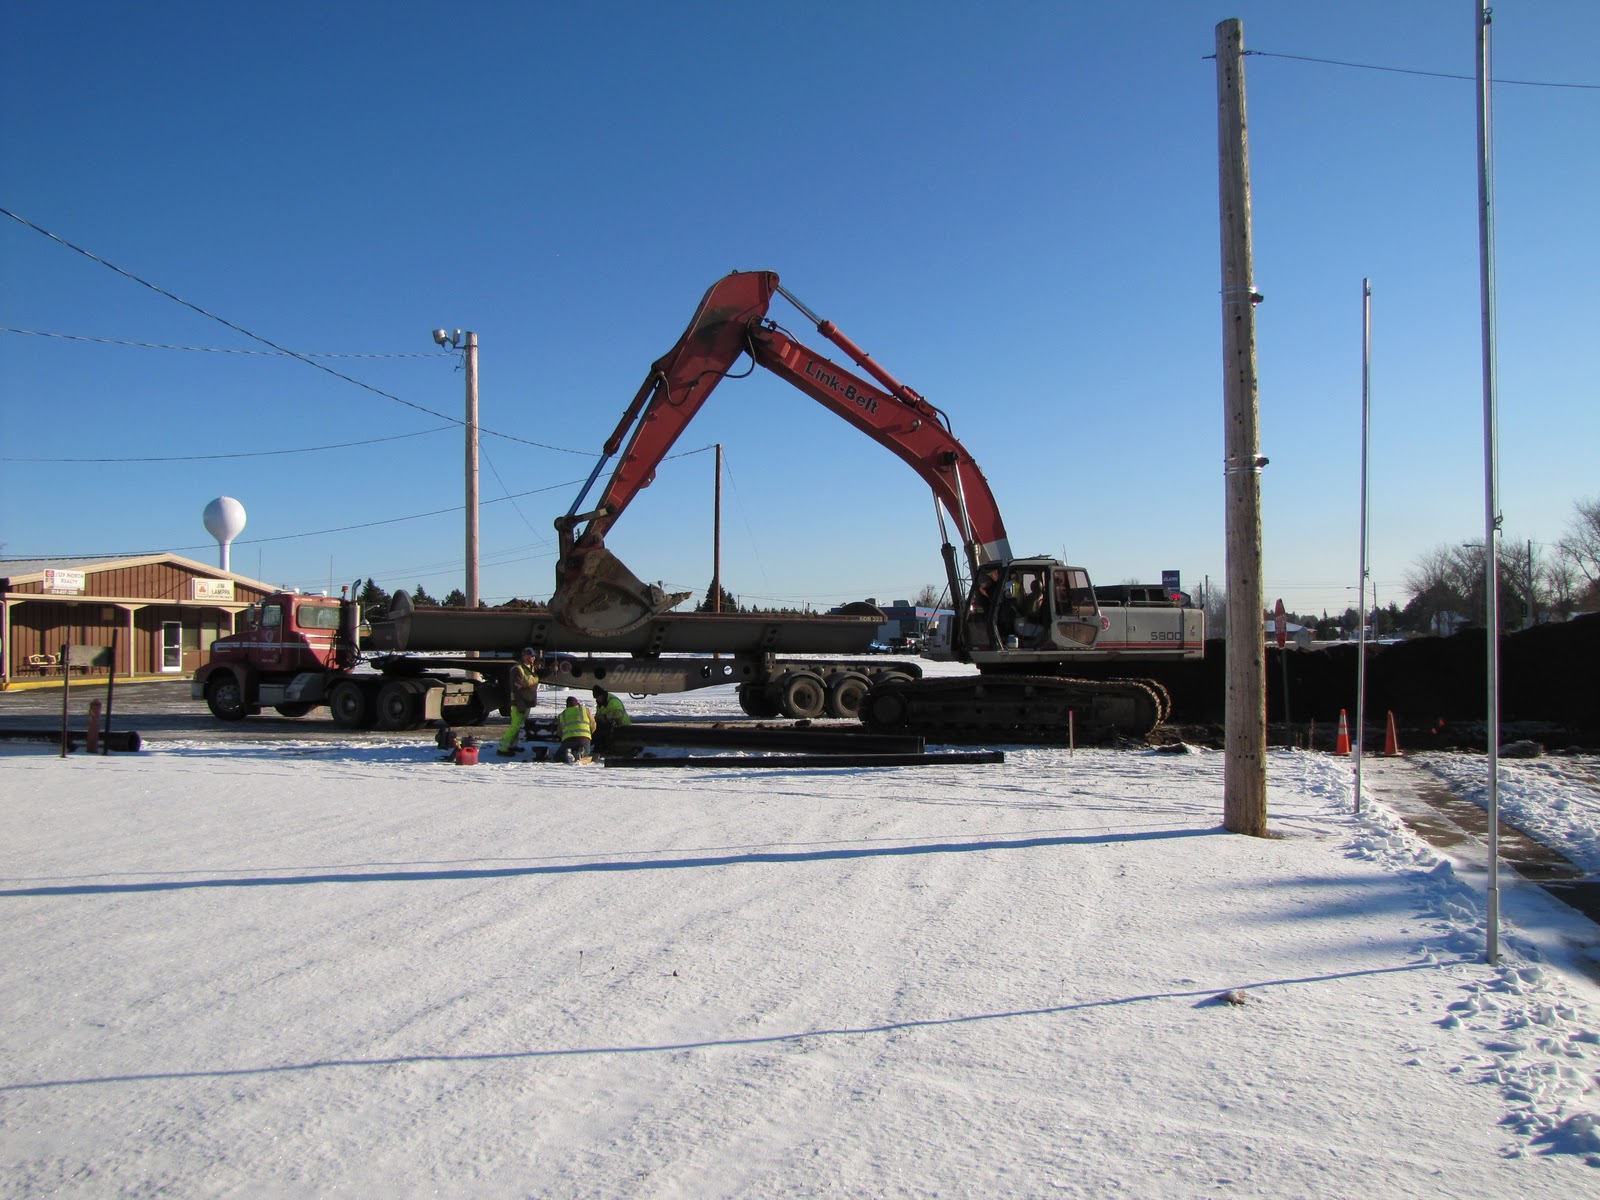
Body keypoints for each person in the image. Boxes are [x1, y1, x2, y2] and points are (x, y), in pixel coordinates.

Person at [496, 647, 544, 755]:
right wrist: (519, 703)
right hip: (519, 702)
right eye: (530, 655)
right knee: (515, 726)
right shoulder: (517, 669)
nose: (533, 657)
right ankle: (502, 748)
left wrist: (551, 669)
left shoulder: (531, 668)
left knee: (520, 726)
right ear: (524, 656)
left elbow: (537, 677)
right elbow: (515, 688)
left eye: (533, 656)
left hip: (527, 702)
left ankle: (512, 745)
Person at [591, 686, 631, 756]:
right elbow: (599, 714)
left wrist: (605, 717)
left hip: (622, 724)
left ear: (602, 695)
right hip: (608, 724)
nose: (597, 699)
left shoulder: (613, 701)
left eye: (598, 697)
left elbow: (618, 713)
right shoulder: (600, 703)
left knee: (606, 729)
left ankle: (607, 748)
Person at [556, 695, 595, 763]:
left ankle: (568, 753)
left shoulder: (562, 715)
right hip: (584, 738)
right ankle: (581, 753)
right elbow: (593, 725)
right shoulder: (585, 710)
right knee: (586, 753)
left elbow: (559, 732)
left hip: (568, 740)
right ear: (577, 703)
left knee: (557, 757)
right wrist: (589, 734)